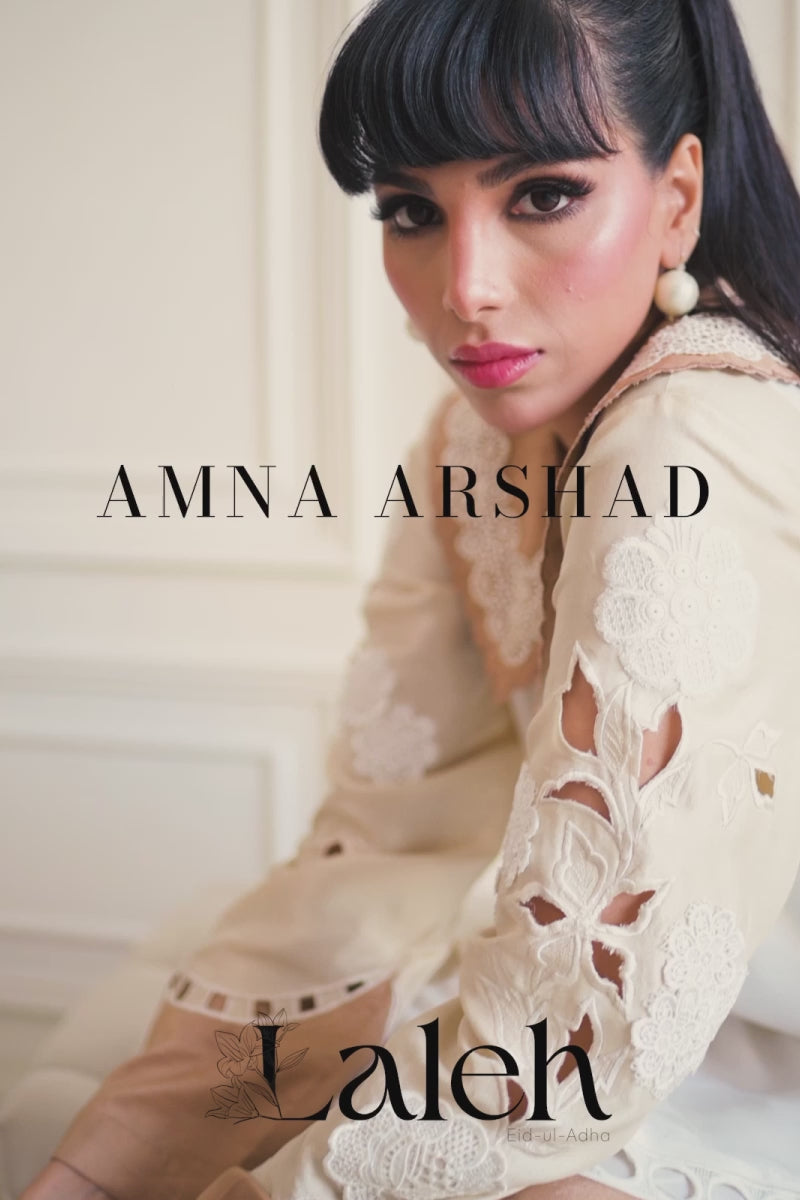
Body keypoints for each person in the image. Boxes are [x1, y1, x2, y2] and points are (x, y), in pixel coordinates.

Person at [17, 0, 800, 1198]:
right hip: (624, 1032)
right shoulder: (475, 443)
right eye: (410, 212)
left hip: (711, 1042)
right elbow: (385, 837)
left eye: (542, 194)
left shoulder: (693, 434)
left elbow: (593, 1003)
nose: (465, 288)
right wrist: (100, 1163)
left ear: (676, 198)